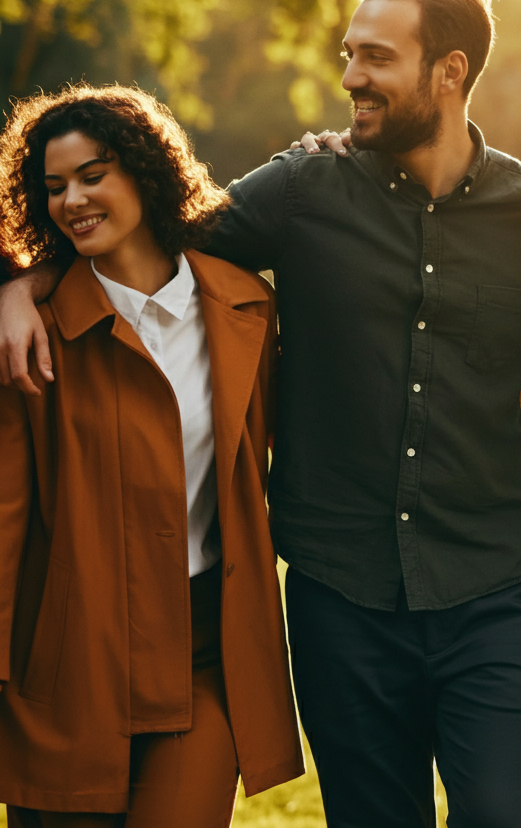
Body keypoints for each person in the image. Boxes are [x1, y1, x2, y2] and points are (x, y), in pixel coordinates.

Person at [0, 0, 521, 828]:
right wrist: (17, 279)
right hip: (339, 596)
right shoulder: (304, 188)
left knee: (505, 812)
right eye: (350, 53)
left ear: (449, 71)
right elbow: (137, 228)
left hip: (490, 590)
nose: (350, 76)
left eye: (376, 57)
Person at [0, 85, 304, 827]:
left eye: (93, 174)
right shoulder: (30, 335)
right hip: (70, 672)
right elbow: (4, 515)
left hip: (205, 659)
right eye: (55, 187)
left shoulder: (245, 312)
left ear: (144, 172)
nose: (73, 199)